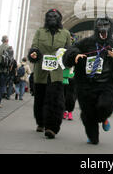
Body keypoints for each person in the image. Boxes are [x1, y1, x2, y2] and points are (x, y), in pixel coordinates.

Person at [62, 16, 113, 145]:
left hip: (107, 85)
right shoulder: (86, 42)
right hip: (87, 84)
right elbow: (70, 51)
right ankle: (93, 137)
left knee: (105, 105)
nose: (103, 30)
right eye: (100, 27)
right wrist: (75, 55)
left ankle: (103, 118)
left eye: (106, 27)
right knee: (88, 114)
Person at [28, 8, 71, 139]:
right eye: (50, 16)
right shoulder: (39, 32)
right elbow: (34, 46)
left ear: (59, 19)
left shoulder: (65, 33)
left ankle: (52, 127)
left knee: (55, 100)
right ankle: (40, 122)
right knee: (40, 99)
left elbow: (68, 51)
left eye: (55, 16)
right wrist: (33, 53)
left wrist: (70, 57)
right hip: (41, 71)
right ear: (46, 18)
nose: (52, 17)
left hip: (56, 73)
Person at [63, 32, 78, 120]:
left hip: (73, 75)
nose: (71, 39)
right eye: (70, 38)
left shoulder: (77, 49)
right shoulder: (63, 48)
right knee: (63, 94)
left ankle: (70, 111)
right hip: (64, 73)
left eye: (72, 38)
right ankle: (64, 111)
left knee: (72, 95)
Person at [0, 35, 10, 108]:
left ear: (2, 40)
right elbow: (11, 61)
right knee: (2, 86)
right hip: (5, 70)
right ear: (7, 41)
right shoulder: (10, 48)